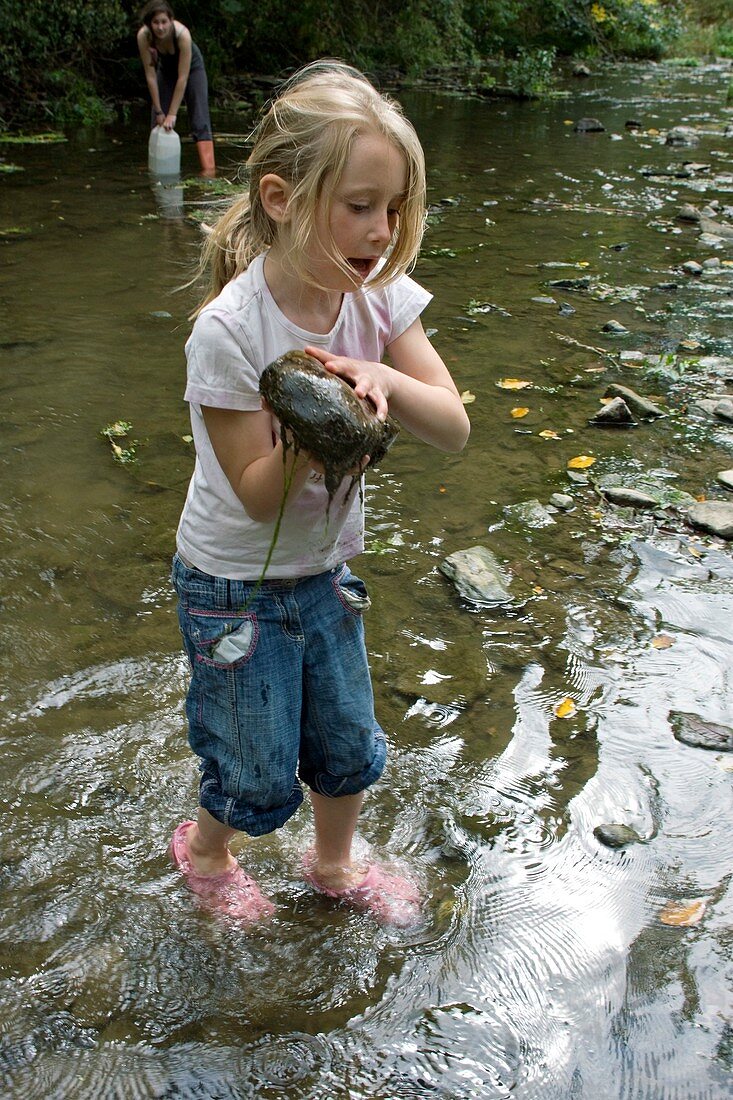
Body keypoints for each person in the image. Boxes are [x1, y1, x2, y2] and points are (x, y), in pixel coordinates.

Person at [170, 59, 470, 927]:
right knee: (254, 763)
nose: (381, 231)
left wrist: (380, 375)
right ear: (279, 198)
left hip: (328, 569)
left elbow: (450, 425)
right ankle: (207, 851)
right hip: (232, 582)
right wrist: (313, 430)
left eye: (393, 208)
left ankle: (334, 862)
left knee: (345, 741)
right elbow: (259, 499)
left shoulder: (378, 303)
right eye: (359, 206)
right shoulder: (228, 331)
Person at [136, 1, 215, 176]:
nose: (160, 27)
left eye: (164, 22)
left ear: (171, 20)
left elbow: (183, 78)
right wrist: (159, 111)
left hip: (191, 70)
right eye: (156, 23)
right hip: (166, 70)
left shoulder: (183, 35)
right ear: (150, 24)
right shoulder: (144, 36)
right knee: (157, 120)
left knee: (199, 118)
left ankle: (209, 171)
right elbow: (150, 76)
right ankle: (155, 167)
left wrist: (172, 114)